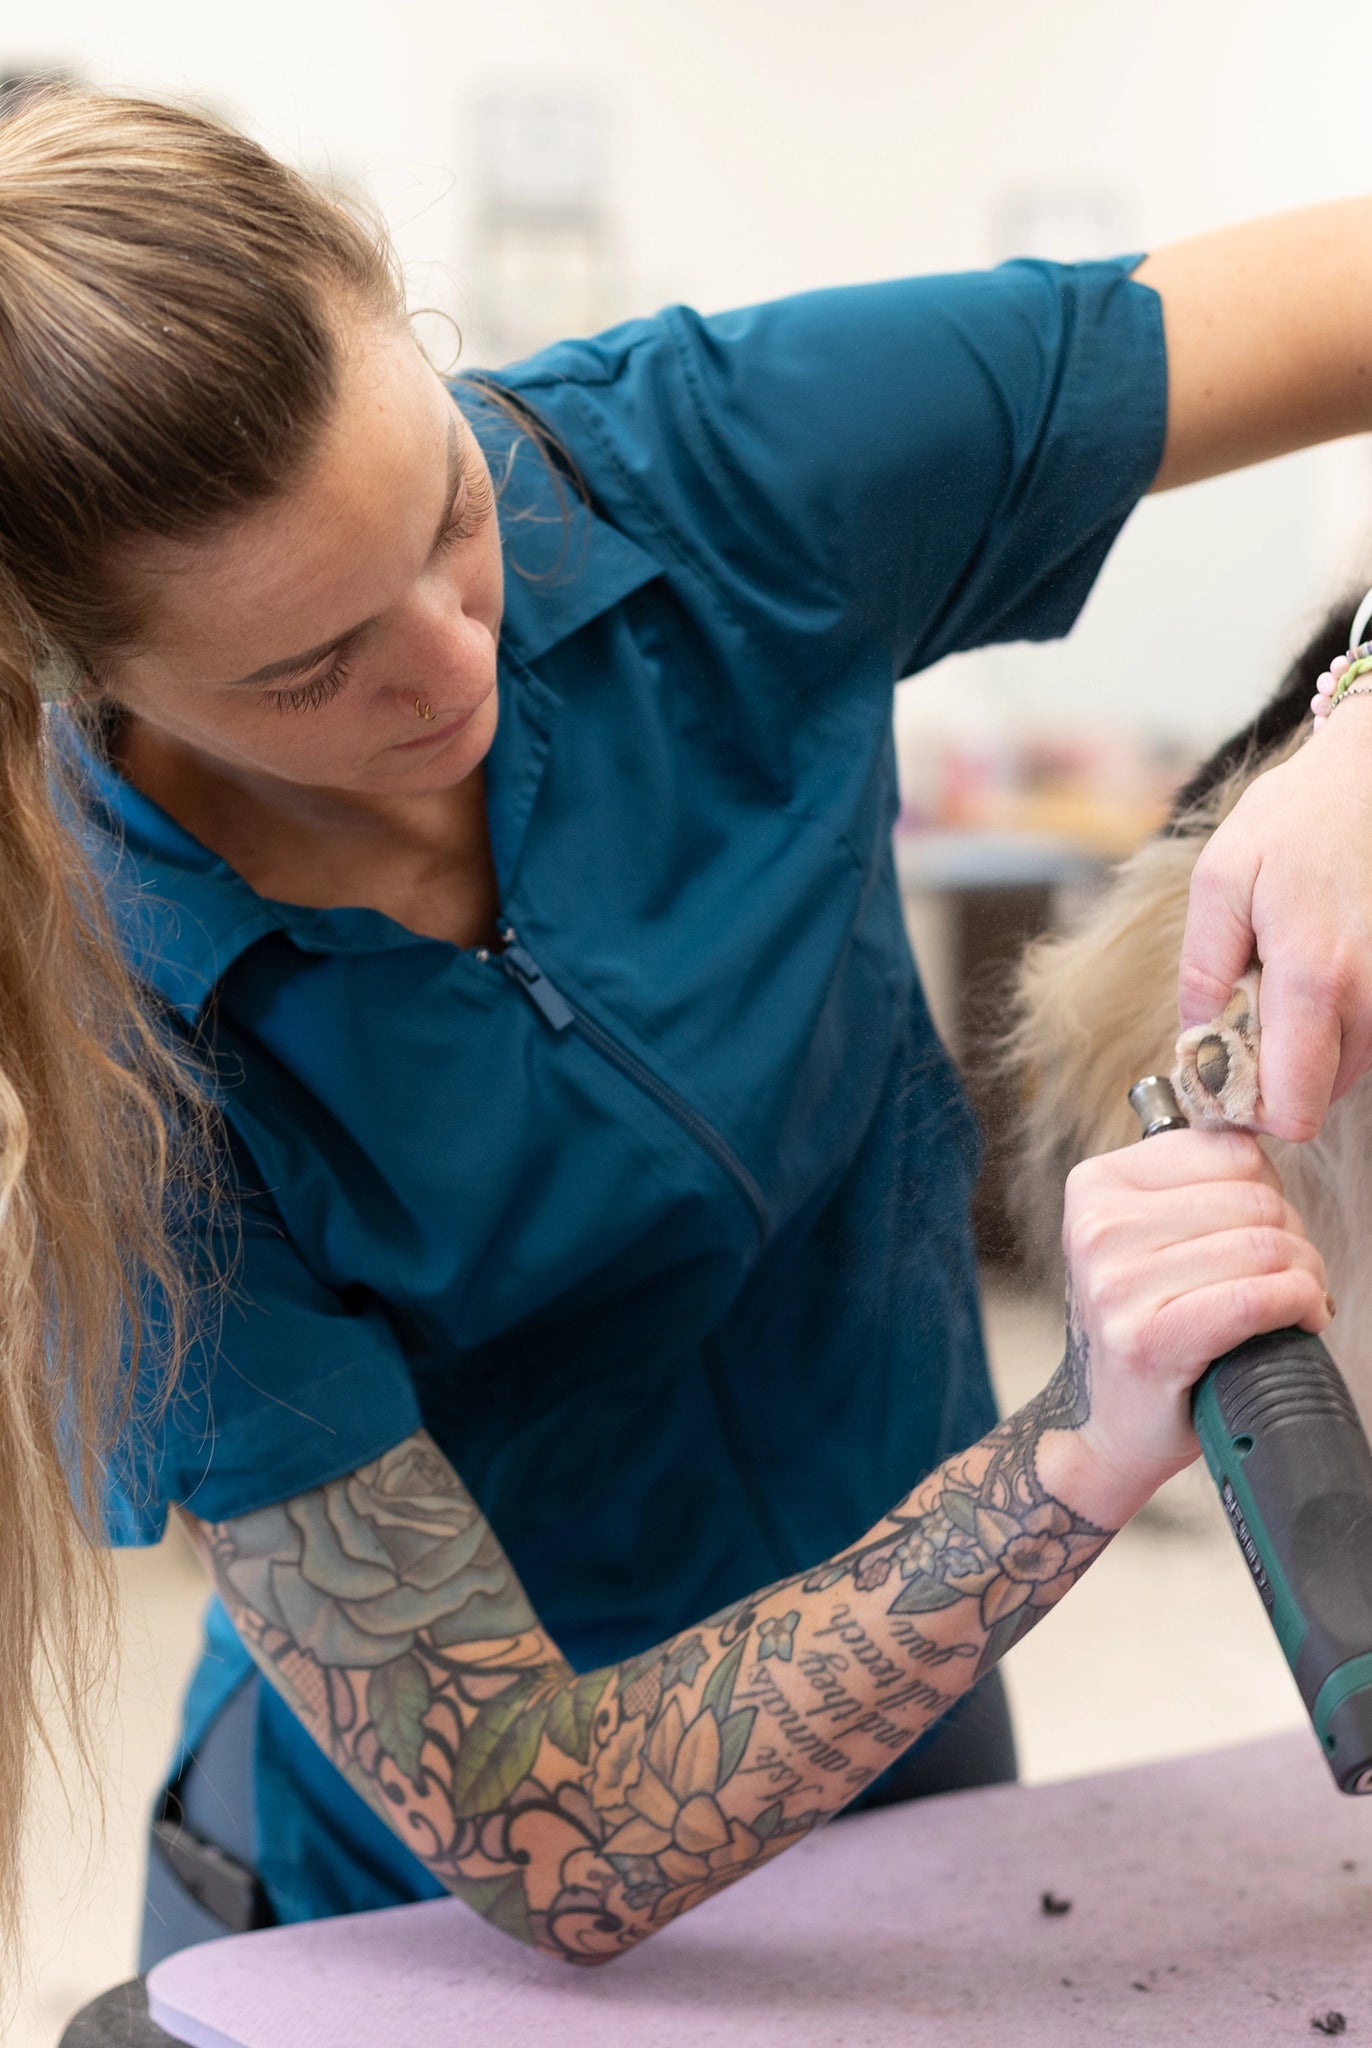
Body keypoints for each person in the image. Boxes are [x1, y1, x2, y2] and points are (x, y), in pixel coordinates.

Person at [0, 84, 1366, 1974]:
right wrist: (1075, 1444)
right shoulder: (107, 1042)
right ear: (67, 669)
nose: (455, 659)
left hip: (915, 1759)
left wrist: (1365, 713)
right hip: (406, 1920)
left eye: (449, 510)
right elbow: (547, 1822)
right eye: (312, 669)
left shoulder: (708, 465)